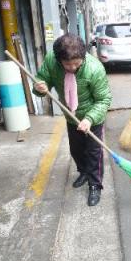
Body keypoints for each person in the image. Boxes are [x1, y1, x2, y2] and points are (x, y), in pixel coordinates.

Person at [33, 33, 112, 206]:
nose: (72, 68)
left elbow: (104, 99)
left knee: (93, 153)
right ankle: (83, 172)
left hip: (92, 116)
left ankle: (95, 185)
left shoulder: (94, 68)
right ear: (58, 59)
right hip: (71, 114)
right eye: (67, 64)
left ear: (83, 57)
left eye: (77, 63)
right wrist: (39, 87)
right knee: (76, 149)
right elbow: (40, 81)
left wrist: (90, 119)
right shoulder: (51, 62)